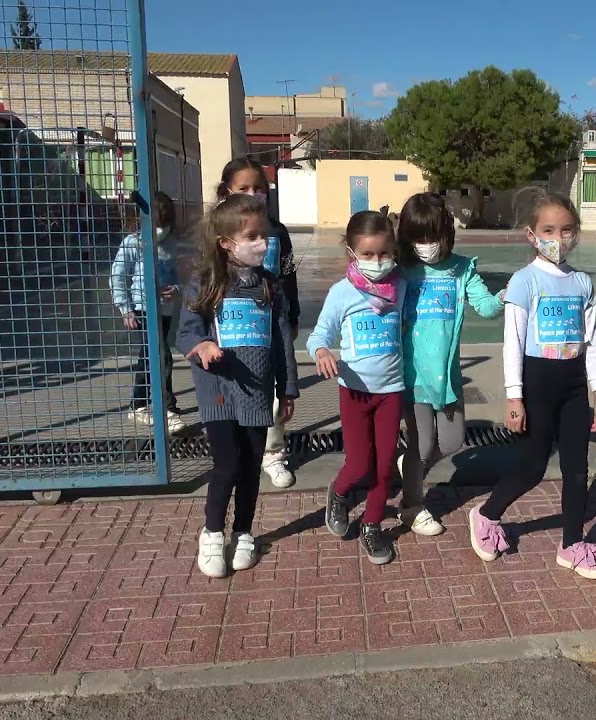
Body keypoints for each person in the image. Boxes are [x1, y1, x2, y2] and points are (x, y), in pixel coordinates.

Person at [467, 192, 596, 579]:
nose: (557, 238)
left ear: (576, 234)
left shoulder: (582, 283)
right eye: (548, 230)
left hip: (575, 385)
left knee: (577, 468)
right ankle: (486, 514)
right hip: (537, 383)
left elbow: (591, 339)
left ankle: (572, 544)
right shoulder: (523, 282)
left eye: (566, 230)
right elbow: (511, 342)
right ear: (532, 235)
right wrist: (515, 396)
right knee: (532, 466)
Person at [177, 193, 294, 578]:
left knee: (250, 467)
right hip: (219, 391)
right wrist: (201, 346)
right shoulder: (206, 281)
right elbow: (186, 331)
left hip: (257, 393)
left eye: (263, 235)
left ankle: (243, 531)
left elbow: (281, 341)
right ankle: (212, 532)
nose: (260, 243)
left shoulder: (269, 285)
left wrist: (287, 388)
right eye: (251, 236)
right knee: (227, 462)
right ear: (226, 242)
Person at [396, 193, 506, 537]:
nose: (427, 245)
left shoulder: (461, 269)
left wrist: (508, 294)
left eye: (433, 236)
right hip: (412, 377)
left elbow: (486, 307)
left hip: (447, 377)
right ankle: (412, 506)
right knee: (422, 445)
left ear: (447, 233)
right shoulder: (402, 270)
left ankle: (409, 467)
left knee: (454, 440)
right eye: (418, 237)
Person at [307, 210, 406, 566]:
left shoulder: (402, 285)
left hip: (391, 391)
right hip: (354, 392)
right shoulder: (341, 293)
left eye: (383, 253)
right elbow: (319, 334)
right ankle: (340, 491)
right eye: (367, 254)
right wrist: (320, 351)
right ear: (352, 253)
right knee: (360, 463)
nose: (377, 261)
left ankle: (372, 524)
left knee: (382, 468)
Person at [214, 156, 301, 488]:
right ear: (227, 192)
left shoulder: (278, 231)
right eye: (244, 188)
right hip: (231, 325)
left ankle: (273, 452)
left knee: (274, 393)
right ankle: (235, 451)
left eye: (259, 188)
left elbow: (289, 273)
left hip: (270, 322)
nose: (253, 194)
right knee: (232, 390)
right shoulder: (217, 233)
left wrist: (292, 315)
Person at [110, 191, 187, 435]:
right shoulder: (133, 243)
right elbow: (118, 276)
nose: (160, 230)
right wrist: (126, 308)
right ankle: (165, 406)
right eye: (156, 224)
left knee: (151, 356)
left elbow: (179, 275)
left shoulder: (170, 243)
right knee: (160, 355)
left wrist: (176, 288)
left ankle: (141, 404)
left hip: (164, 310)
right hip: (142, 309)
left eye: (164, 224)